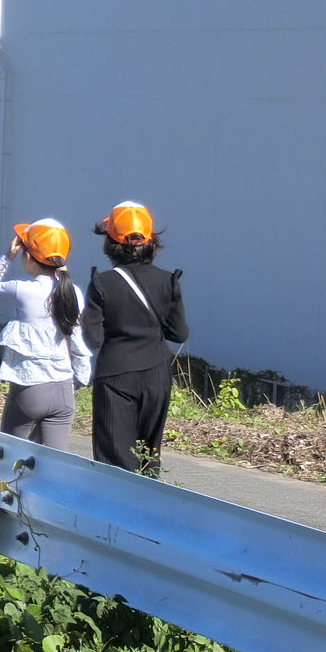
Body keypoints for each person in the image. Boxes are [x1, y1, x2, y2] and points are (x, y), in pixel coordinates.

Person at [82, 202, 190, 475]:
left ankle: (116, 503)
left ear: (110, 243)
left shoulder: (102, 283)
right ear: (151, 241)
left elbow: (93, 338)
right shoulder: (168, 281)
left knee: (115, 461)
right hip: (157, 374)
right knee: (148, 457)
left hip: (116, 375)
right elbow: (179, 333)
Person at [0, 219, 93, 450]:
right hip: (64, 389)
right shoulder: (73, 292)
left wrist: (8, 256)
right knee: (53, 464)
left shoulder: (23, 290)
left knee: (11, 457)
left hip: (30, 389)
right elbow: (76, 340)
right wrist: (80, 376)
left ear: (29, 257)